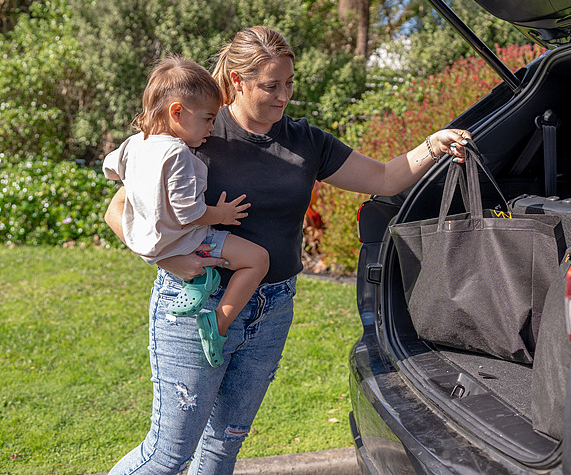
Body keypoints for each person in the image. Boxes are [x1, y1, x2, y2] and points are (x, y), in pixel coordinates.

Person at [104, 25, 471, 474]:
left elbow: (383, 179)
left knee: (222, 449)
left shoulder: (306, 141)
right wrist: (168, 259)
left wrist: (433, 145)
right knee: (168, 455)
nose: (284, 96)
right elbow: (120, 209)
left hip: (272, 309)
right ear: (237, 80)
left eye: (289, 83)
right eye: (271, 86)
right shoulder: (196, 127)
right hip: (196, 304)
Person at [102, 57, 270, 368]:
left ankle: (199, 282)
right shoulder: (177, 152)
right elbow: (188, 214)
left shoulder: (135, 144)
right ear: (177, 112)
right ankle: (217, 325)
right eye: (207, 119)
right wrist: (220, 214)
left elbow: (109, 169)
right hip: (185, 238)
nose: (211, 127)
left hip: (151, 239)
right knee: (258, 260)